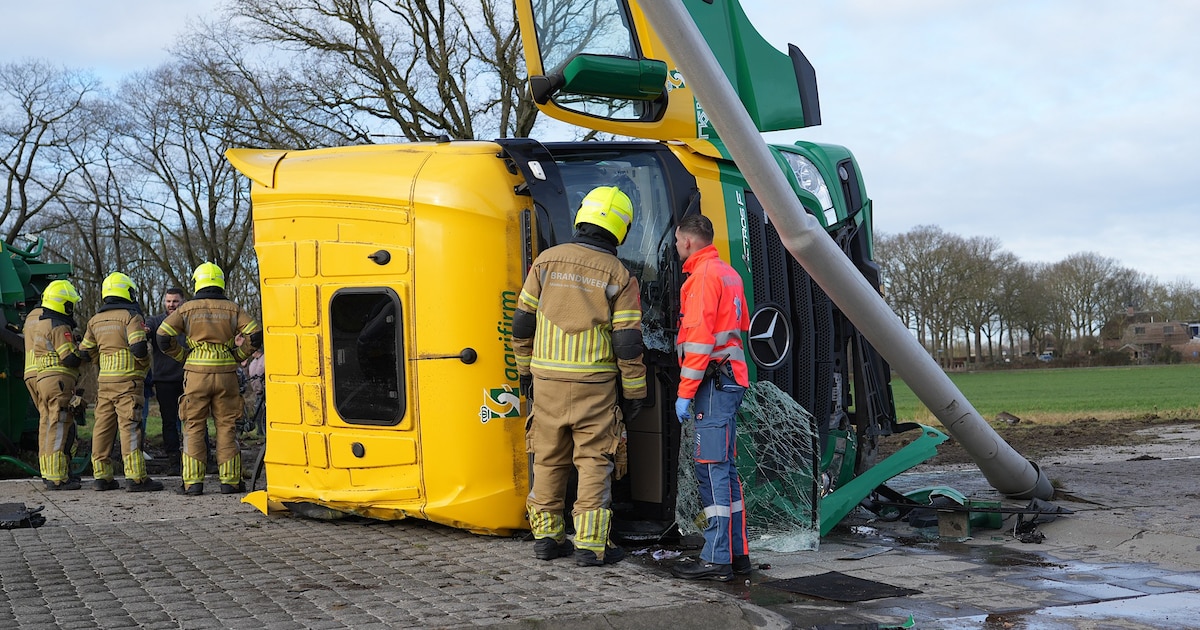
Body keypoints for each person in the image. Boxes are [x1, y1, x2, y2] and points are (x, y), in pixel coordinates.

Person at [512, 186, 647, 567]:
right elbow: (627, 343)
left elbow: (522, 323)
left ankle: (547, 538)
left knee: (548, 458)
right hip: (595, 387)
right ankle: (590, 545)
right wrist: (634, 393)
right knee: (594, 461)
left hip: (547, 382)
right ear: (621, 229)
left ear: (582, 216)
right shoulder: (619, 275)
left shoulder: (546, 262)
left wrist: (524, 371)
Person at [670, 214, 752, 582]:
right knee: (725, 468)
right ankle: (736, 554)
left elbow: (700, 342)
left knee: (711, 467)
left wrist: (684, 393)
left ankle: (716, 558)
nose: (676, 247)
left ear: (687, 241)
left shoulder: (702, 278)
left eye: (677, 241)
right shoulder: (728, 273)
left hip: (713, 383)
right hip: (730, 379)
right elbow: (741, 325)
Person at [157, 262, 261, 495]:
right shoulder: (233, 308)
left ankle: (193, 483)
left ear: (197, 283)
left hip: (196, 375)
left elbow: (162, 336)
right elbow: (255, 335)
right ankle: (230, 482)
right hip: (226, 375)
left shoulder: (186, 309)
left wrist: (183, 356)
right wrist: (237, 356)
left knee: (193, 426)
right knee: (227, 426)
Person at [78, 272, 164, 492]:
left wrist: (101, 362)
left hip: (105, 382)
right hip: (128, 382)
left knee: (102, 428)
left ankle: (101, 477)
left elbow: (85, 352)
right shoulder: (131, 316)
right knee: (129, 427)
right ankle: (136, 479)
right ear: (128, 292)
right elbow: (138, 347)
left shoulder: (94, 320)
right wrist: (143, 365)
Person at [31, 280, 84, 490]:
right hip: (59, 383)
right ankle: (57, 478)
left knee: (46, 426)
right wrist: (82, 352)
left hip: (43, 381)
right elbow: (69, 358)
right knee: (59, 426)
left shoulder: (41, 324)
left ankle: (48, 473)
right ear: (64, 304)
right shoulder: (59, 325)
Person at [145, 287, 186, 473]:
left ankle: (201, 457)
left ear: (182, 302)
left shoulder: (189, 321)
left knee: (194, 420)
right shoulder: (155, 322)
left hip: (188, 378)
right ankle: (174, 461)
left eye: (175, 301)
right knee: (168, 422)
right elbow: (146, 331)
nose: (171, 304)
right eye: (168, 301)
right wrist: (144, 331)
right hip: (164, 380)